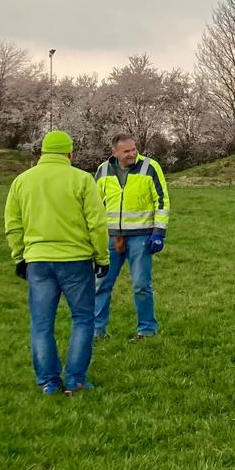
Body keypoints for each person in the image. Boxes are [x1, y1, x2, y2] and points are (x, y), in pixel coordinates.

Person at [4, 130, 110, 395]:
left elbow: (13, 224)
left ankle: (48, 382)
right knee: (83, 319)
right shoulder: (82, 179)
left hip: (38, 261)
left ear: (42, 152)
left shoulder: (22, 181)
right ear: (70, 154)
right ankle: (76, 380)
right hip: (76, 260)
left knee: (42, 324)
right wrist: (102, 257)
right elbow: (97, 223)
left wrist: (20, 256)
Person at [92, 133, 170, 339]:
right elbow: (94, 205)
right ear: (114, 152)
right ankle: (97, 330)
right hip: (110, 237)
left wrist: (158, 232)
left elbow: (162, 201)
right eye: (126, 151)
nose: (132, 154)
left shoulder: (150, 167)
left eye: (134, 149)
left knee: (141, 285)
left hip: (141, 237)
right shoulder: (103, 170)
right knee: (101, 284)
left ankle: (147, 330)